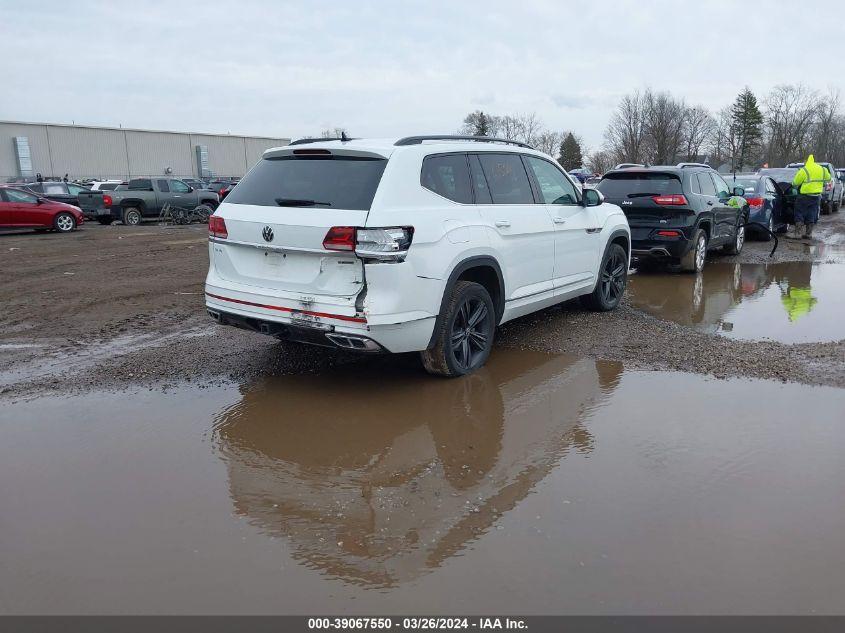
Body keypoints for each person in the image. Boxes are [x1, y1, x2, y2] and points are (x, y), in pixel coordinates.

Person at [790, 154, 831, 239]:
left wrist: (794, 186)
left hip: (804, 196)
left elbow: (795, 183)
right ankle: (808, 234)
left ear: (806, 161)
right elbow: (828, 178)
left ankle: (798, 234)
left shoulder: (804, 170)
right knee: (811, 214)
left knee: (799, 213)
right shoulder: (822, 169)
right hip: (816, 196)